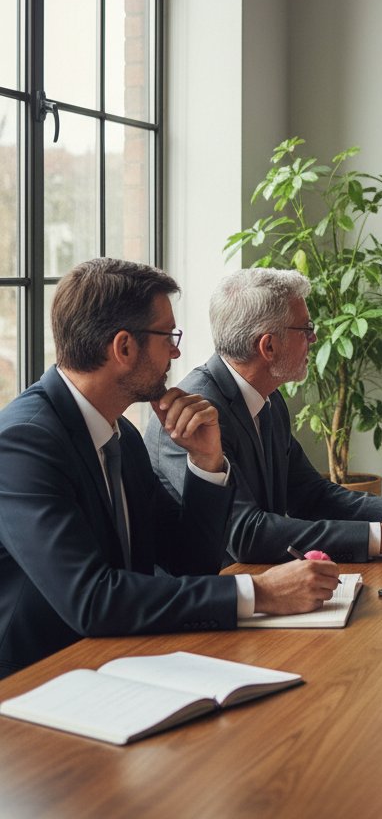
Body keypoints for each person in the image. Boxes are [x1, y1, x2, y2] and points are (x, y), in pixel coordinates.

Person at [0, 259, 341, 678]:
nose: (177, 352)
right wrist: (260, 591)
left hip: (123, 659)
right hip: (35, 682)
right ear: (124, 348)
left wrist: (206, 462)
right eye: (168, 336)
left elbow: (189, 562)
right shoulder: (23, 442)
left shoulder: (120, 432)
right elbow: (91, 600)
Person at [146, 268, 382, 564]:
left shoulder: (267, 397)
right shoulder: (195, 416)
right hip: (219, 596)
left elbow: (311, 494)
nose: (314, 338)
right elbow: (245, 534)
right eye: (306, 329)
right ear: (268, 346)